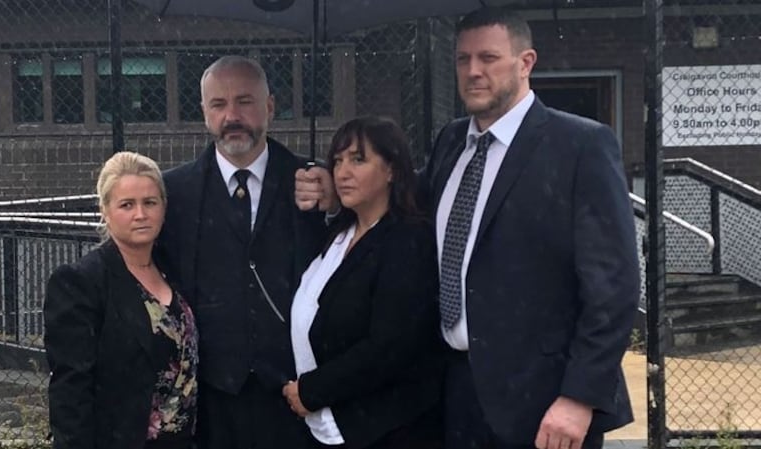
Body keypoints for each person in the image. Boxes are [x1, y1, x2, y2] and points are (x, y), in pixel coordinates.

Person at [296, 7, 640, 449]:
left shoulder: (579, 146)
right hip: (455, 395)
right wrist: (336, 190)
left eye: (488, 58)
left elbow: (614, 287)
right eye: (463, 60)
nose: (473, 71)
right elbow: (402, 199)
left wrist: (579, 397)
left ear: (526, 62)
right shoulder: (451, 142)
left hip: (543, 401)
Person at [155, 55, 327, 449]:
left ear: (269, 106)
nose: (232, 114)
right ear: (204, 113)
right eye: (219, 104)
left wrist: (332, 203)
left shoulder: (315, 184)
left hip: (295, 394)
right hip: (210, 397)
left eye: (245, 101)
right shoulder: (173, 193)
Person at [283, 117, 444, 449]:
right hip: (331, 425)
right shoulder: (341, 233)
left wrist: (312, 390)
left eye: (358, 160)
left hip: (385, 429)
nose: (342, 173)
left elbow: (390, 347)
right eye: (338, 161)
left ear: (391, 170)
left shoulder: (407, 241)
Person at [44, 151, 198, 449]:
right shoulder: (81, 282)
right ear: (105, 210)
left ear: (163, 208)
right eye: (127, 205)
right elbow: (70, 391)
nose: (140, 214)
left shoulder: (175, 271)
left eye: (149, 203)